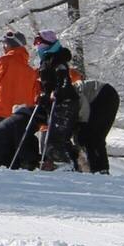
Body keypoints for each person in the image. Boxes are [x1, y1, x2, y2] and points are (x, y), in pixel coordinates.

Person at [34, 30, 80, 170]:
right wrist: (44, 96)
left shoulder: (56, 58)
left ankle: (65, 164)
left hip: (63, 102)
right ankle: (65, 163)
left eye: (39, 42)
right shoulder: (47, 59)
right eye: (36, 42)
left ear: (48, 44)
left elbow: (63, 79)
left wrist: (58, 91)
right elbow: (47, 85)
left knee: (56, 137)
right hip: (55, 102)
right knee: (54, 135)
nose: (37, 46)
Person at [72, 74, 120, 174]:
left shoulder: (68, 94)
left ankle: (98, 169)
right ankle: (99, 169)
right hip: (104, 95)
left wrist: (82, 122)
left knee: (92, 136)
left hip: (104, 95)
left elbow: (83, 104)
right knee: (93, 137)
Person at [0, 32, 40, 123]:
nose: (3, 47)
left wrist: (2, 99)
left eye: (5, 44)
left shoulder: (3, 61)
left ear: (12, 45)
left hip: (3, 113)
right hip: (25, 116)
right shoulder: (31, 71)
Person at [0, 104, 48, 169]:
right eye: (40, 125)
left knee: (33, 139)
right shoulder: (22, 122)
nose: (38, 128)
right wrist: (40, 161)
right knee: (32, 141)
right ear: (37, 120)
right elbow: (23, 148)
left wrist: (39, 159)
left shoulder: (18, 119)